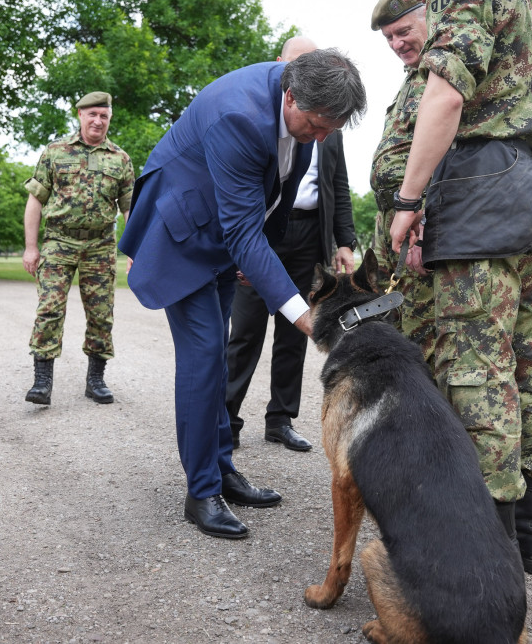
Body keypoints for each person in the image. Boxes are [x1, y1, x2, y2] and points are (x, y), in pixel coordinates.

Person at [370, 0, 532, 575]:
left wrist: (407, 200)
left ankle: (491, 553)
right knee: (529, 358)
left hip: (483, 196)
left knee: (474, 367)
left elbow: (447, 90)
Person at [119, 49, 366, 539]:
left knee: (217, 355)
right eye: (316, 127)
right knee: (206, 356)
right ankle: (201, 490)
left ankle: (222, 468)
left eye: (329, 132)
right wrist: (303, 313)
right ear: (291, 96)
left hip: (222, 237)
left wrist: (260, 263)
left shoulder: (303, 112)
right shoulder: (240, 114)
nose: (320, 139)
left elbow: (279, 190)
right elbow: (241, 231)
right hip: (183, 233)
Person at [224, 37, 357, 453]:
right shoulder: (257, 119)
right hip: (259, 234)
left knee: (293, 333)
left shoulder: (328, 129)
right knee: (245, 331)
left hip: (307, 236)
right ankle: (225, 419)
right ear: (283, 70)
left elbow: (339, 187)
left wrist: (345, 242)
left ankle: (281, 419)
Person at [21, 91, 134, 406]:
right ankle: (42, 382)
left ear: (109, 119)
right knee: (50, 309)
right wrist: (31, 247)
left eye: (104, 116)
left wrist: (134, 252)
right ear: (80, 115)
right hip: (59, 240)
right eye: (92, 114)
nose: (98, 121)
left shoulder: (120, 159)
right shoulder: (55, 152)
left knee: (101, 313)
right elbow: (35, 200)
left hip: (100, 244)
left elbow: (130, 210)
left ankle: (96, 380)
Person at [368, 0, 436, 369]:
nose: (397, 43)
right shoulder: (412, 78)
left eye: (404, 31)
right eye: (389, 37)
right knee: (391, 328)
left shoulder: (442, 76)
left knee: (419, 336)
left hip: (417, 223)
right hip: (392, 225)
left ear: (430, 17)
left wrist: (422, 221)